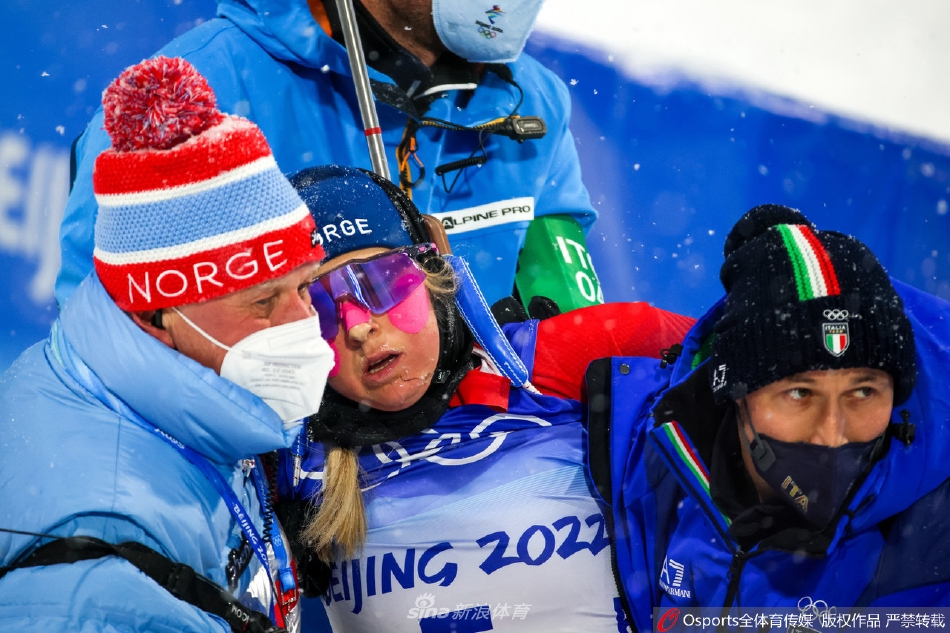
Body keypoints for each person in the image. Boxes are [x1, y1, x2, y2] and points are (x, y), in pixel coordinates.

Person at [271, 163, 693, 632]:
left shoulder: (557, 359)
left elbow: (744, 355)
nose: (357, 326)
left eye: (381, 282)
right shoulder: (285, 455)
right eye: (319, 307)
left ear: (432, 272)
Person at [0, 57, 333, 632]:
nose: (303, 323)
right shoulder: (96, 574)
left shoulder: (156, 386)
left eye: (305, 287)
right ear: (156, 314)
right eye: (262, 302)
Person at [56, 0, 604, 315]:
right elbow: (111, 344)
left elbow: (570, 328)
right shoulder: (196, 93)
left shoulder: (534, 101)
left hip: (473, 465)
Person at [585, 204, 950, 630]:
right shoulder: (649, 456)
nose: (832, 432)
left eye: (863, 392)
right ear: (736, 396)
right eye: (800, 393)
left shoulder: (935, 533)